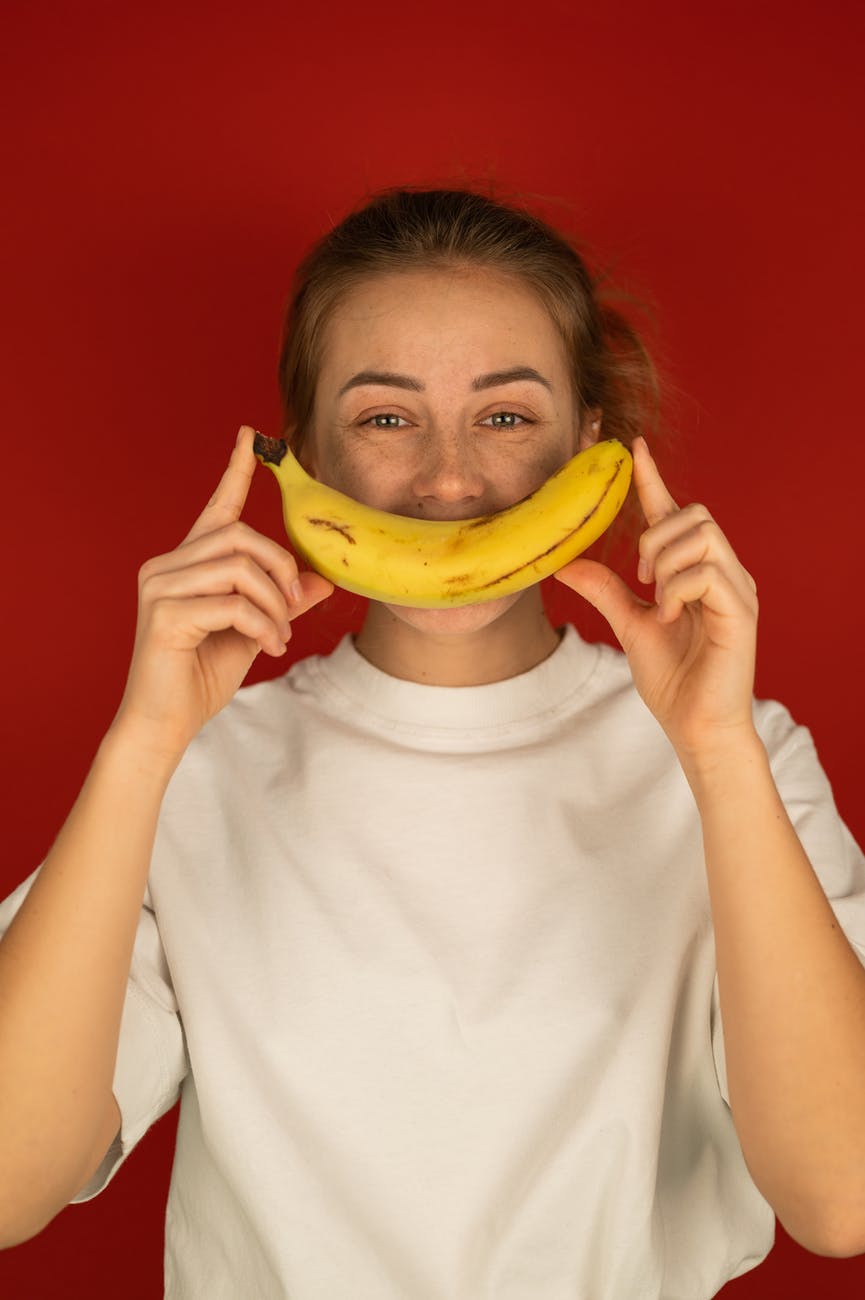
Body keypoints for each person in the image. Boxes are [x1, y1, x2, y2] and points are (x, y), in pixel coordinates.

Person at [1, 186, 864, 1299]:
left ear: (589, 445)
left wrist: (712, 751)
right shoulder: (197, 769)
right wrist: (142, 743)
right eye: (383, 417)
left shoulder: (740, 755)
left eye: (504, 416)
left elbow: (840, 1196)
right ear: (306, 453)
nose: (447, 481)